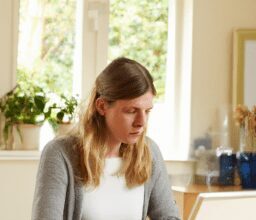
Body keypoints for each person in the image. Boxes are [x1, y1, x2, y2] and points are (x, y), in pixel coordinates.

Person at [32, 57, 180, 220]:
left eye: (147, 111)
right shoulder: (60, 154)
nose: (141, 122)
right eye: (131, 111)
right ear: (102, 106)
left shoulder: (149, 152)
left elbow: (168, 216)